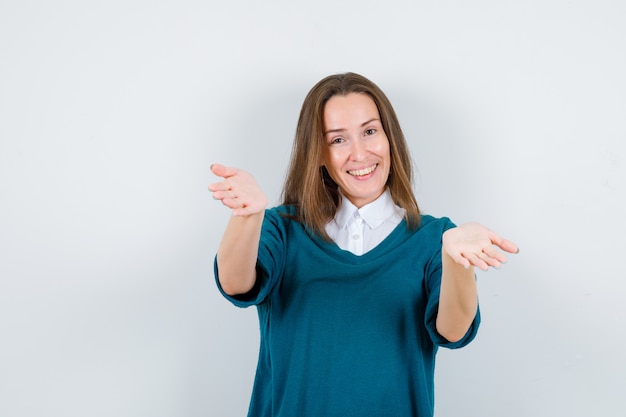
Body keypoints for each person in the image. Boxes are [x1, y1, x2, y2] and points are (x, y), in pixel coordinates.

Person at [209, 72, 518, 417]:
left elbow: (454, 331)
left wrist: (457, 262)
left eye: (370, 132)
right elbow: (235, 283)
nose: (359, 153)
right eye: (338, 140)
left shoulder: (435, 240)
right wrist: (247, 217)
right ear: (320, 154)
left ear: (389, 140)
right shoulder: (282, 229)